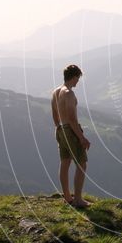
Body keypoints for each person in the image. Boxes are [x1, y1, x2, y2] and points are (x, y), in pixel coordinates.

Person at [51, 64, 92, 208]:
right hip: (70, 129)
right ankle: (78, 199)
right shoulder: (69, 93)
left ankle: (68, 197)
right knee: (81, 164)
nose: (78, 82)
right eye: (78, 78)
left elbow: (55, 115)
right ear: (74, 77)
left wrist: (58, 129)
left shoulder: (56, 92)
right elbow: (72, 118)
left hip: (61, 129)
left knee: (65, 162)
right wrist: (82, 138)